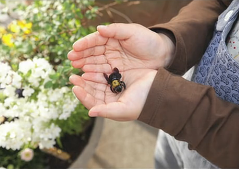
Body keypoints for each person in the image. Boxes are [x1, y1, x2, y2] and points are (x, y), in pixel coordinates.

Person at [67, 0, 239, 168]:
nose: (117, 85)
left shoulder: (162, 100)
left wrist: (166, 100)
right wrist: (168, 44)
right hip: (176, 112)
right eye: (117, 85)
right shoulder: (118, 81)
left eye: (117, 85)